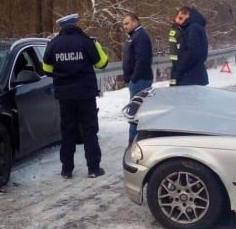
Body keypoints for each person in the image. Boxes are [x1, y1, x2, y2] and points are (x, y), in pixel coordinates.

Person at [42, 13, 109, 178]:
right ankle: (93, 168)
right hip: (86, 94)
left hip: (65, 96)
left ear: (62, 27)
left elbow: (46, 69)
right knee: (89, 130)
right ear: (76, 24)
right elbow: (102, 63)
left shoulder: (53, 44)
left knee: (68, 131)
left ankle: (66, 170)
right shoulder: (86, 41)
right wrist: (96, 45)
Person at [121, 13, 153, 143]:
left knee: (136, 113)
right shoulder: (134, 36)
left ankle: (134, 142)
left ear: (135, 22)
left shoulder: (141, 36)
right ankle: (136, 140)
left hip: (140, 80)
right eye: (123, 24)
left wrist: (134, 78)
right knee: (136, 112)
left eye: (127, 23)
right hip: (136, 80)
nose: (124, 27)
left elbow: (142, 60)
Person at [173, 5, 209, 86]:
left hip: (190, 76)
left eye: (180, 18)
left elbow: (191, 52)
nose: (178, 21)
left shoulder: (193, 28)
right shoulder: (196, 27)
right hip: (195, 75)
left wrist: (179, 70)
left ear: (188, 15)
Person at [167, 13, 181, 85]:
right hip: (177, 57)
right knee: (175, 75)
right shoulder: (175, 30)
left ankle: (173, 86)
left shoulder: (176, 29)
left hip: (176, 57)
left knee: (174, 74)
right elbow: (173, 44)